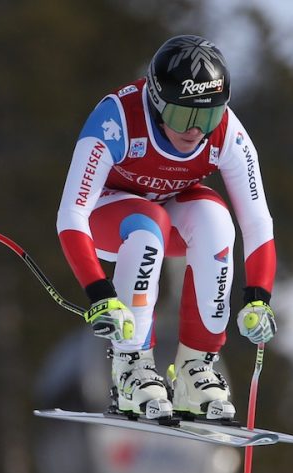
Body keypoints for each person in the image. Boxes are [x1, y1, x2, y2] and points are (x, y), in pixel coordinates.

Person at [56, 35, 276, 423]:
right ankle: (131, 367)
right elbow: (71, 214)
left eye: (206, 116)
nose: (194, 130)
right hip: (109, 217)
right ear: (157, 102)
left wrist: (258, 297)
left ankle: (196, 370)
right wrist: (99, 293)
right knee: (148, 225)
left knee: (216, 219)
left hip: (165, 210)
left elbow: (257, 220)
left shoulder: (227, 132)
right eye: (182, 116)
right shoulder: (117, 118)